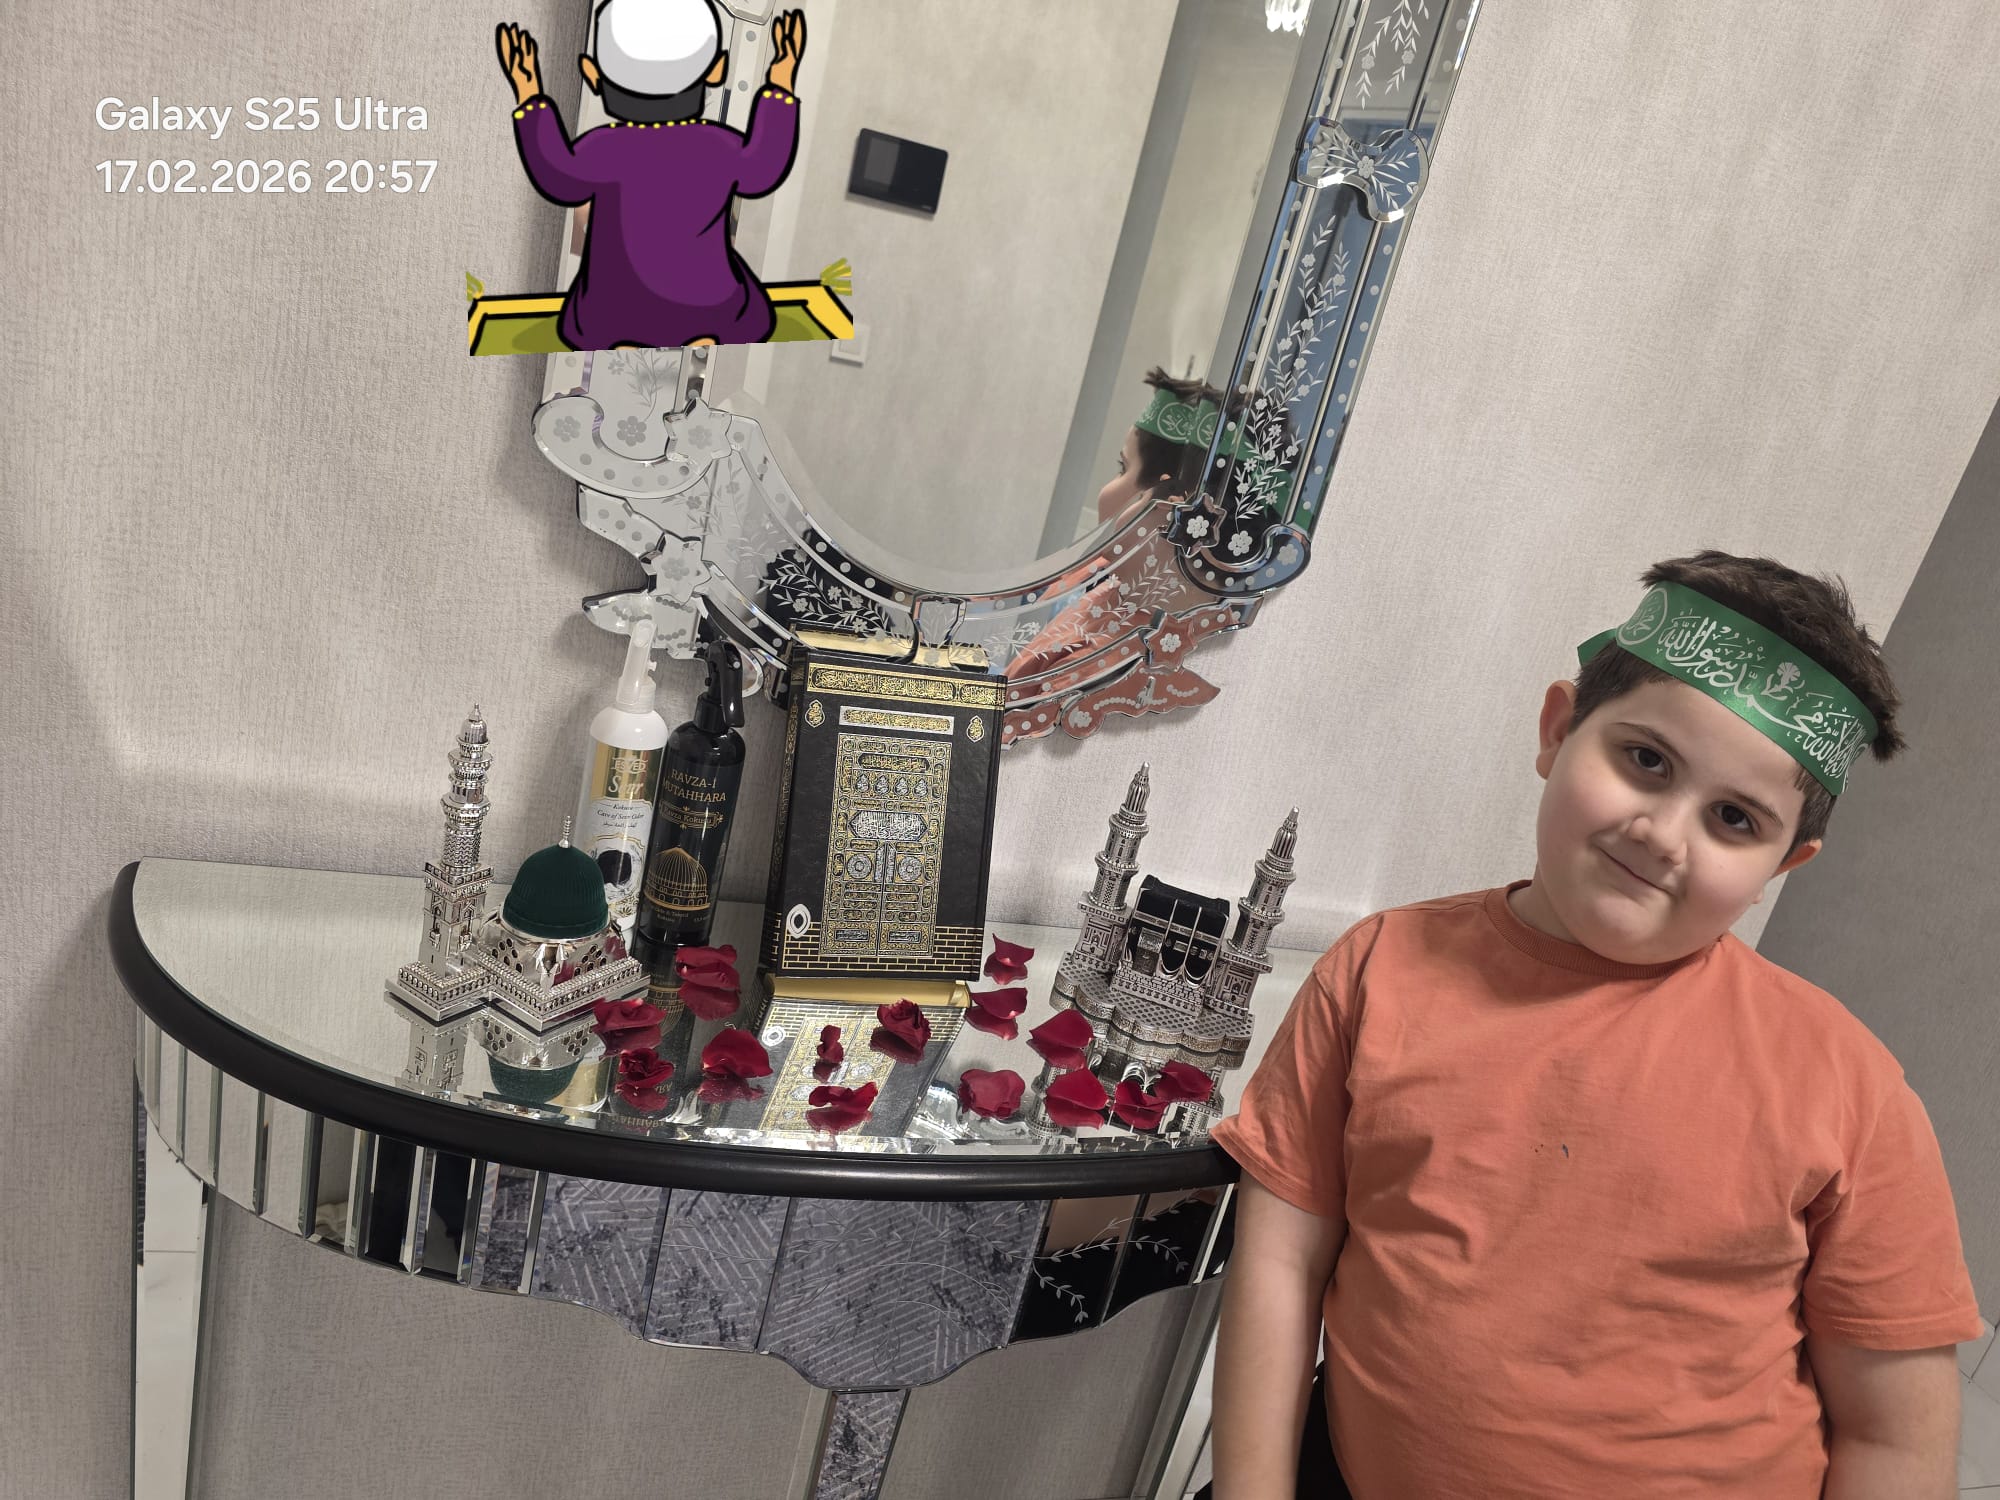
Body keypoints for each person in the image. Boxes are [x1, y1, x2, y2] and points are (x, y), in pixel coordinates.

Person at [1204, 551, 1982, 1499]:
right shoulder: (1378, 972)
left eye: (1734, 819)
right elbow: (1280, 1268)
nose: (1662, 834)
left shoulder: (1848, 1090)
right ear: (1558, 729)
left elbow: (1893, 1436)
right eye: (1646, 761)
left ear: (1783, 865)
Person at [495, 2, 806, 351]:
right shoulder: (719, 144)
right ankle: (703, 329)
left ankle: (622, 335)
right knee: (740, 307)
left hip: (611, 310)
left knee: (599, 314)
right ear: (717, 69)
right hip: (711, 306)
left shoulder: (603, 147)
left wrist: (529, 95)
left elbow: (556, 175)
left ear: (592, 74)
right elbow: (765, 167)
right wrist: (780, 83)